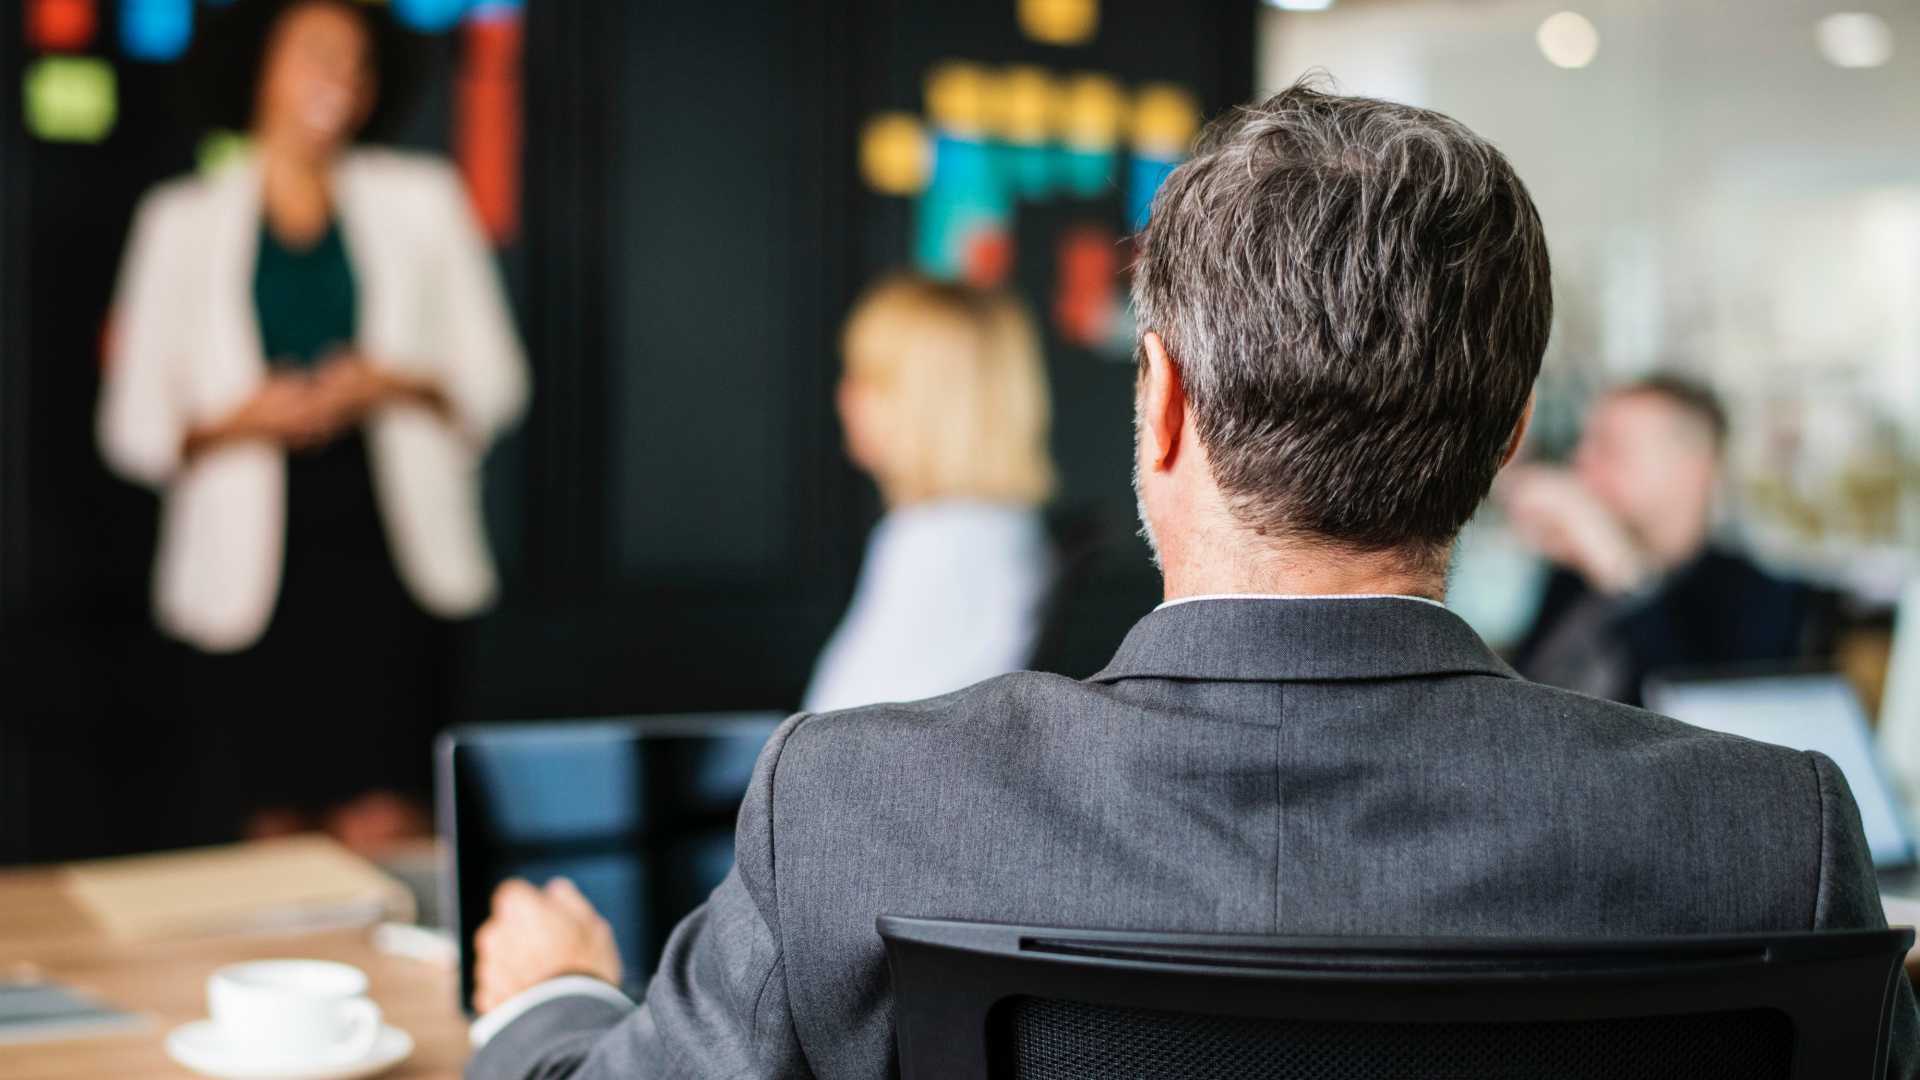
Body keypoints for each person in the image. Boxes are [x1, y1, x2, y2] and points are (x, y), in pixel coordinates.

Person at [465, 82, 1916, 1078]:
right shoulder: (1771, 835)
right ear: (1508, 432)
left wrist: (552, 1004)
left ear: (1159, 402)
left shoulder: (855, 810)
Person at [97, 0, 528, 848]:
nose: (342, 80)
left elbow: (498, 382)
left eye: (359, 64)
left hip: (390, 553)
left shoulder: (423, 201)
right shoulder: (180, 220)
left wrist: (387, 381)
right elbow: (132, 425)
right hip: (247, 570)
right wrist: (242, 420)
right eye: (318, 55)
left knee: (389, 821)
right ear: (261, 64)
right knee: (271, 829)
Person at [802, 275, 1057, 713]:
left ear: (924, 401)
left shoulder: (938, 543)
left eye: (868, 378)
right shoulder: (1001, 533)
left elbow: (829, 736)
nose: (845, 395)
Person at [1503, 376, 1808, 704]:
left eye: (1610, 448)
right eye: (1584, 443)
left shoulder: (1757, 600)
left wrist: (1615, 563)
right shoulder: (1572, 578)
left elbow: (1695, 724)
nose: (1581, 459)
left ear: (1694, 468)